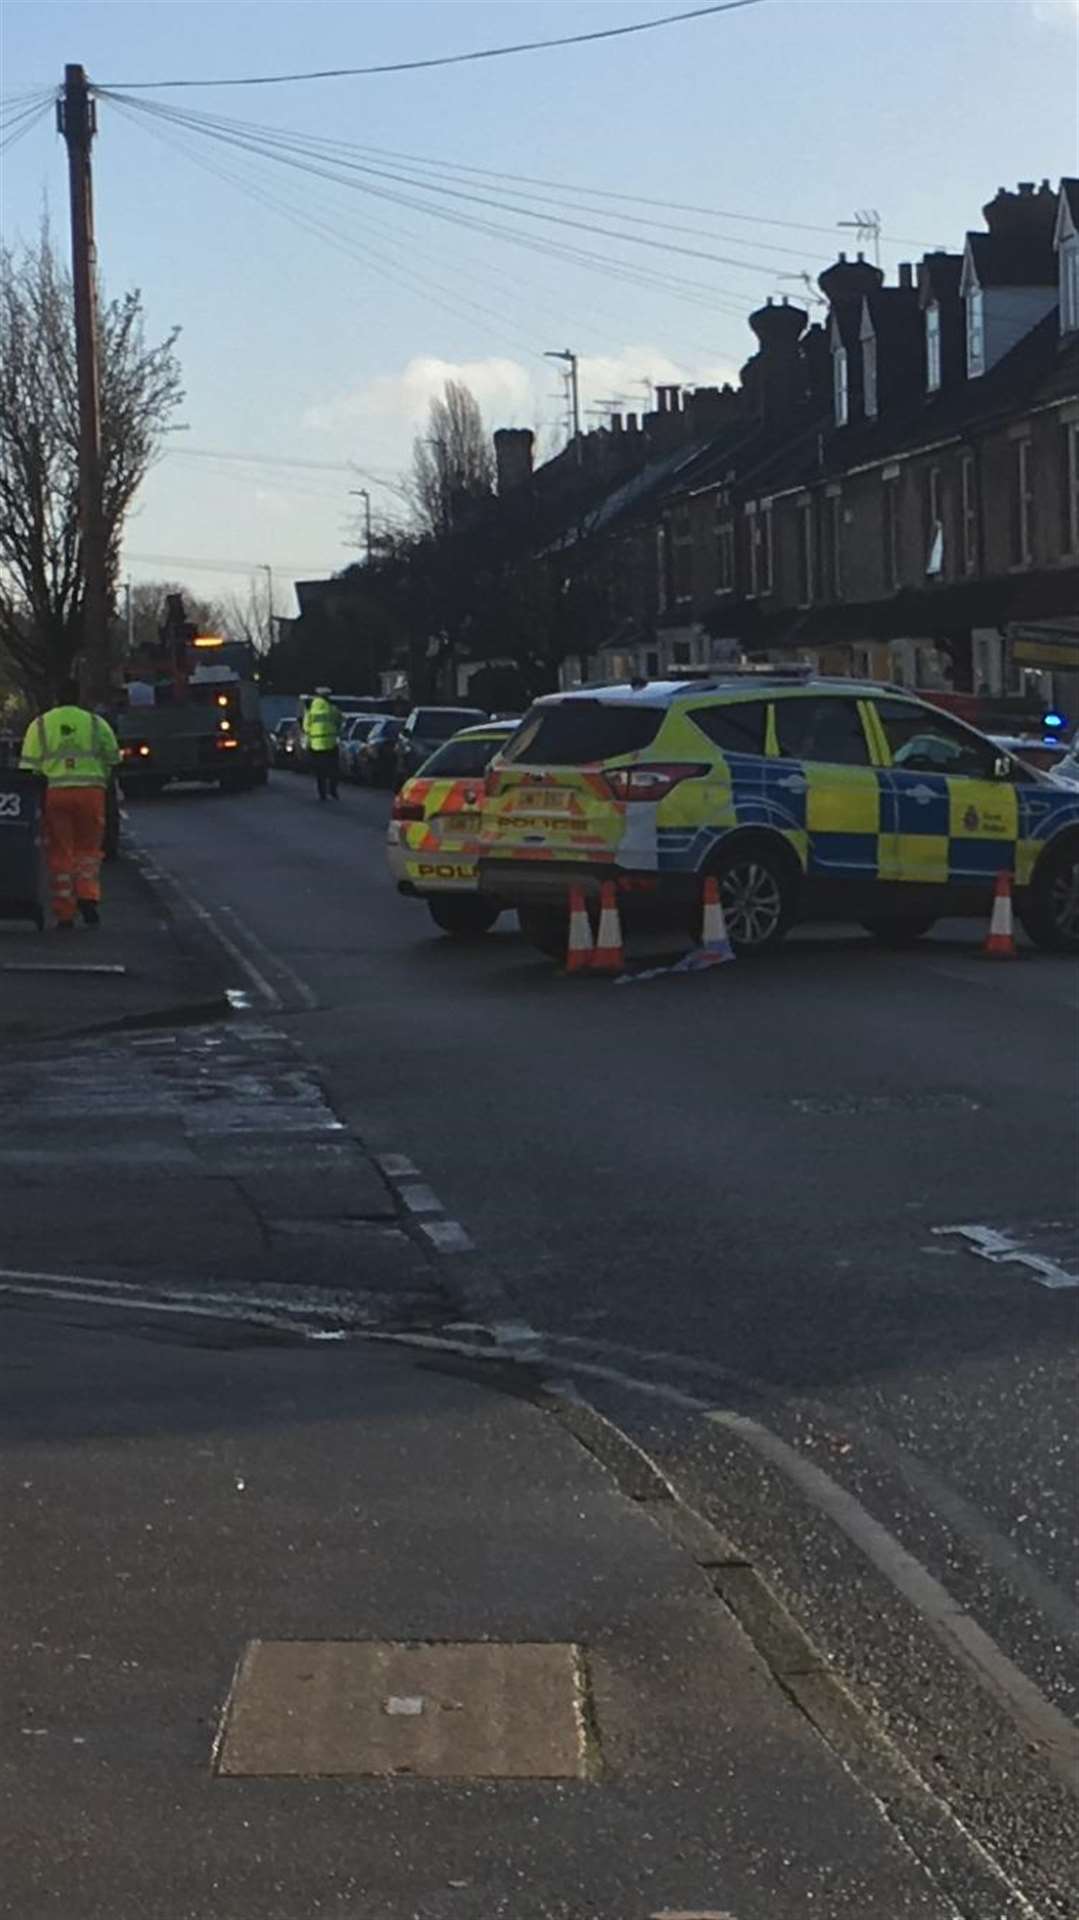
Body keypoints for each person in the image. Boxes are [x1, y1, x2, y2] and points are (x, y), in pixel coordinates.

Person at [19, 677, 120, 931]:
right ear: (79, 696)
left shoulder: (40, 725)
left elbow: (28, 768)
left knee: (60, 851)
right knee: (88, 850)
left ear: (56, 698)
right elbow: (113, 757)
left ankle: (65, 912)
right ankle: (88, 898)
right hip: (91, 793)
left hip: (55, 794)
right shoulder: (96, 724)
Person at [303, 686, 342, 801]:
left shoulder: (310, 710)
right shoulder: (333, 709)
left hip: (316, 745)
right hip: (331, 744)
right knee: (334, 769)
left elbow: (306, 727)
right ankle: (333, 789)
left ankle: (322, 793)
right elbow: (340, 722)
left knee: (320, 771)